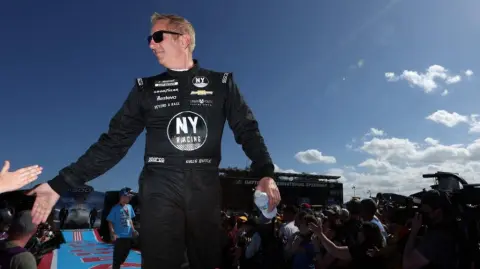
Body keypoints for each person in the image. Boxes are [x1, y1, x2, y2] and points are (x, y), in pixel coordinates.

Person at [27, 13, 281, 269]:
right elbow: (112, 144)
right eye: (150, 39)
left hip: (204, 188)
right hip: (160, 185)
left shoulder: (222, 83)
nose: (151, 44)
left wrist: (266, 172)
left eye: (158, 36)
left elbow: (247, 130)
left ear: (184, 40)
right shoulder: (145, 89)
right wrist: (59, 184)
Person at [107, 188, 138, 269]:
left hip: (128, 236)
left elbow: (130, 219)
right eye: (128, 197)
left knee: (125, 254)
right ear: (122, 196)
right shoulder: (115, 208)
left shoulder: (130, 207)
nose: (129, 198)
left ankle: (117, 264)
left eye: (130, 197)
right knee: (117, 257)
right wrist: (112, 232)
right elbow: (110, 221)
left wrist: (133, 230)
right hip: (119, 236)